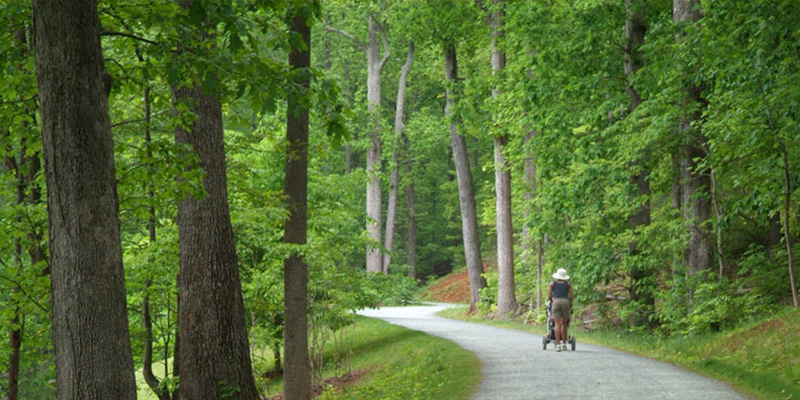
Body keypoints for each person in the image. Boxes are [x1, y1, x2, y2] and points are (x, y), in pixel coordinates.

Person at [547, 268, 574, 352]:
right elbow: (571, 297)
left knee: (557, 323)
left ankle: (558, 344)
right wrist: (569, 302)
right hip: (565, 302)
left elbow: (549, 296)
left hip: (556, 301)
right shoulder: (568, 284)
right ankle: (564, 344)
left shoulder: (552, 284)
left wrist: (552, 301)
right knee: (564, 323)